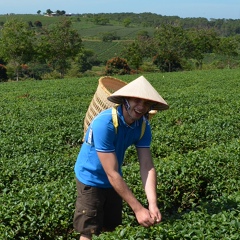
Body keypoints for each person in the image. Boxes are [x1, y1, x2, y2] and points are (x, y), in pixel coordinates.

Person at [73, 75, 169, 240]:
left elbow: (147, 166)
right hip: (91, 178)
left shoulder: (143, 127)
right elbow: (111, 173)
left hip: (114, 181)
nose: (141, 107)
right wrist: (138, 209)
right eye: (136, 100)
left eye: (146, 103)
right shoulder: (105, 123)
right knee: (89, 230)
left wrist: (152, 204)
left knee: (112, 227)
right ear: (125, 100)